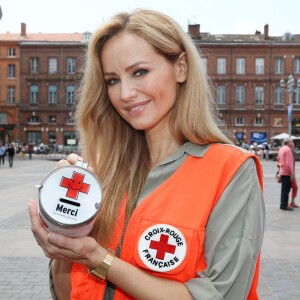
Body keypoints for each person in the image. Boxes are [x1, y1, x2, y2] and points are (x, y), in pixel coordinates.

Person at [28, 9, 265, 300]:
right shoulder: (101, 173)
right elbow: (68, 294)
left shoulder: (230, 171)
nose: (125, 93)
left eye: (139, 72)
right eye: (112, 80)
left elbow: (222, 295)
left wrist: (99, 259)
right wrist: (67, 235)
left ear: (181, 68)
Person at [277, 138, 295, 211]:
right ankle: (284, 205)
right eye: (292, 142)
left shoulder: (281, 149)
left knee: (284, 189)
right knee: (286, 190)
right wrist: (291, 173)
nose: (293, 143)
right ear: (289, 143)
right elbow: (288, 163)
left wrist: (279, 168)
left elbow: (278, 159)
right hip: (287, 172)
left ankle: (283, 204)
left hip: (282, 171)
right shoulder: (288, 150)